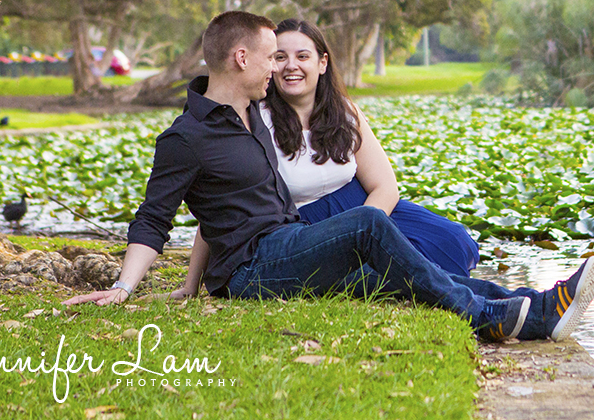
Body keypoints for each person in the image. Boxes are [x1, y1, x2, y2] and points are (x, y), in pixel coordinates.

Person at [63, 11, 594, 345]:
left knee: (393, 278)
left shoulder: (252, 116)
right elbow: (155, 217)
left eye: (289, 57)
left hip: (287, 244)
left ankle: (538, 312)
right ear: (242, 57)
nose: (279, 67)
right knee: (368, 225)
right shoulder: (186, 137)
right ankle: (491, 315)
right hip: (251, 270)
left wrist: (187, 284)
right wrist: (123, 287)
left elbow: (220, 207)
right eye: (272, 56)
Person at [173, 18, 479, 292]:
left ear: (322, 63)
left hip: (365, 210)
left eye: (302, 56)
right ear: (269, 65)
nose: (291, 65)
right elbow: (220, 206)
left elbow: (385, 187)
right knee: (374, 275)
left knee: (452, 241)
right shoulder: (254, 121)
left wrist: (368, 233)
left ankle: (452, 290)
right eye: (280, 57)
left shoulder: (345, 113)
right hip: (302, 229)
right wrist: (192, 283)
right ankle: (449, 293)